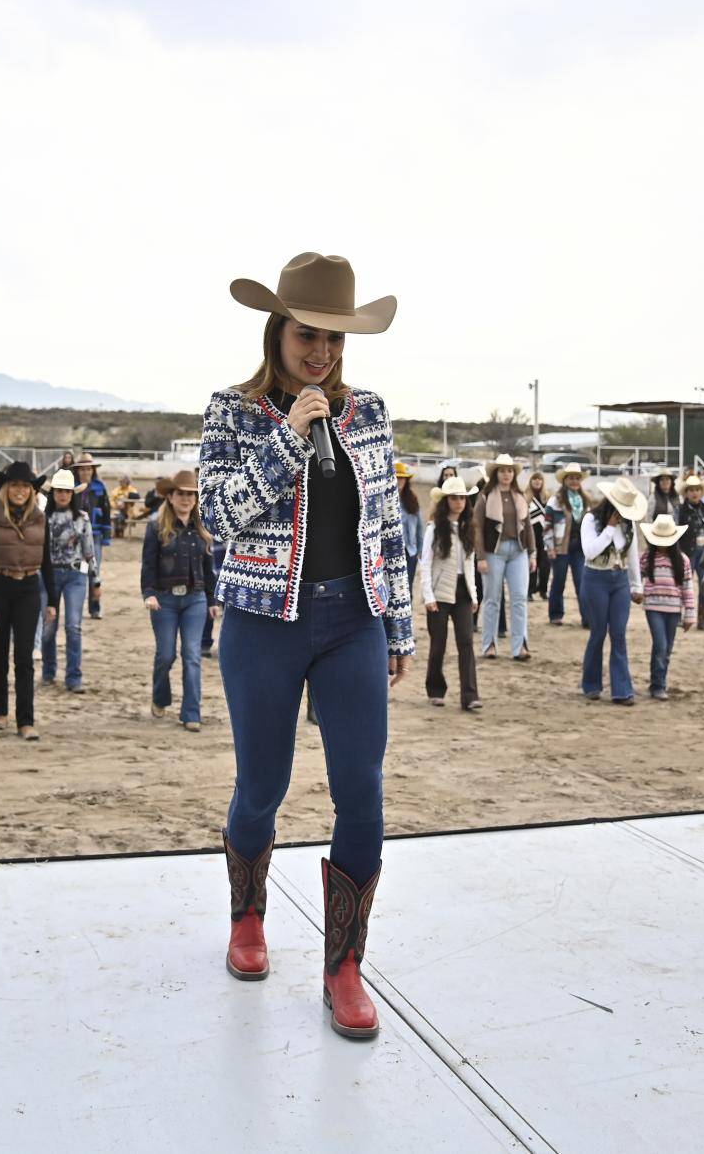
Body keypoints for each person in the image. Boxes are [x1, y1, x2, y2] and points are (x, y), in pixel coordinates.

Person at [201, 252, 411, 1042]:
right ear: (277, 330)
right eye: (306, 334)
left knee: (362, 789)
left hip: (352, 618)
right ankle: (248, 914)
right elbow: (220, 514)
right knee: (264, 784)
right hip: (262, 620)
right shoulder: (232, 409)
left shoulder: (370, 412)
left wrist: (397, 623)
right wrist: (289, 434)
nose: (319, 350)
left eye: (332, 336)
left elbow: (386, 528)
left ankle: (344, 965)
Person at [0, 461, 49, 739]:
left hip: (29, 589)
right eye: (15, 485)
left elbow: (48, 563)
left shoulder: (41, 519)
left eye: (25, 486)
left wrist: (52, 600)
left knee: (25, 658)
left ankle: (25, 721)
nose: (20, 490)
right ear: (6, 489)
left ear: (32, 490)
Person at [142, 469, 217, 729]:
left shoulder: (202, 529)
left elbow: (209, 568)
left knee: (192, 654)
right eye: (181, 494)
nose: (186, 499)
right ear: (171, 497)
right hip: (164, 600)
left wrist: (212, 600)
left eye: (191, 495)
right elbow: (148, 565)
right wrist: (148, 594)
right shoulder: (156, 527)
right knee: (166, 654)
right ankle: (160, 696)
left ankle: (192, 713)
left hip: (195, 599)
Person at [579, 478, 648, 705]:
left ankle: (622, 689)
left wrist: (636, 585)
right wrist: (609, 528)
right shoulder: (590, 520)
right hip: (595, 578)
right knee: (598, 632)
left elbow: (633, 557)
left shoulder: (629, 525)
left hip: (619, 580)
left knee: (618, 633)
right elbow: (590, 552)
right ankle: (591, 684)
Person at [418, 477, 481, 711]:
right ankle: (435, 689)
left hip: (462, 590)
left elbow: (469, 562)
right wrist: (428, 595)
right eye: (455, 498)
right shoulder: (434, 528)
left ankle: (470, 695)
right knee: (439, 643)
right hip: (439, 591)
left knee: (466, 641)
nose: (459, 502)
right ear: (446, 501)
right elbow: (425, 563)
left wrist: (474, 595)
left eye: (462, 498)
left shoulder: (468, 527)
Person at [473, 454, 536, 661]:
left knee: (519, 599)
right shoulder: (485, 496)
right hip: (494, 553)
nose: (506, 474)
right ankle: (489, 644)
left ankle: (520, 647)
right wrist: (480, 556)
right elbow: (478, 528)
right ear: (496, 473)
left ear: (514, 474)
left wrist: (532, 553)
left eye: (509, 470)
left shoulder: (520, 496)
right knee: (492, 599)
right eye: (502, 470)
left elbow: (527, 527)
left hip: (518, 551)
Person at [40, 469, 96, 692]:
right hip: (49, 575)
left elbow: (89, 551)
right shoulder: (43, 518)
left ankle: (73, 677)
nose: (62, 495)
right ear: (53, 493)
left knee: (73, 626)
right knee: (48, 626)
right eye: (59, 491)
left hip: (75, 575)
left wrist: (96, 581)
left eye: (66, 491)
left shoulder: (82, 518)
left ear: (72, 494)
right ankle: (48, 671)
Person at [638, 513, 693, 701]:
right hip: (653, 608)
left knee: (667, 648)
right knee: (661, 645)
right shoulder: (646, 558)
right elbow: (636, 578)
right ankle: (658, 685)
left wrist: (690, 615)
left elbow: (688, 588)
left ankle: (659, 681)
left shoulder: (683, 560)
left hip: (674, 610)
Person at [547, 463, 590, 627]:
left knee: (582, 581)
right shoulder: (555, 501)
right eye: (571, 478)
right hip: (560, 546)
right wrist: (549, 547)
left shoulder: (585, 500)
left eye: (577, 478)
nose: (574, 481)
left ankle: (587, 617)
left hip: (580, 547)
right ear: (565, 480)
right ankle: (555, 614)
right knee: (559, 580)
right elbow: (548, 526)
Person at [72, 454, 112, 619]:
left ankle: (95, 607)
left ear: (93, 470)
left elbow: (107, 512)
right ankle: (76, 608)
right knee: (78, 569)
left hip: (95, 535)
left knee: (94, 572)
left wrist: (106, 535)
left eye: (88, 468)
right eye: (82, 469)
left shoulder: (100, 487)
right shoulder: (71, 488)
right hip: (76, 536)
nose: (85, 471)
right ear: (77, 471)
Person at [676, 473, 704, 631]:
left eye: (697, 489)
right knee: (684, 584)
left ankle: (702, 619)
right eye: (691, 490)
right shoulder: (680, 510)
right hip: (686, 551)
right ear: (686, 492)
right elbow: (675, 531)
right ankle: (679, 616)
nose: (694, 493)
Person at [396, 463, 425, 594]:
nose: (399, 481)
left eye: (402, 478)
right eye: (396, 477)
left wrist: (420, 550)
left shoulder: (412, 499)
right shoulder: (384, 500)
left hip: (410, 551)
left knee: (408, 588)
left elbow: (419, 527)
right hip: (392, 551)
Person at [524, 470, 550, 598]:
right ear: (531, 481)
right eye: (535, 479)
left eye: (540, 479)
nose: (537, 481)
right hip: (531, 535)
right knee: (531, 563)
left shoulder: (547, 497)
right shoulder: (525, 497)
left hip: (545, 536)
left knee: (545, 564)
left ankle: (543, 590)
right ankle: (530, 590)